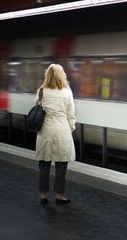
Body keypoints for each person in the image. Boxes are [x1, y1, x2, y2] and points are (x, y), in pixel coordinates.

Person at [35, 64, 76, 205]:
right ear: (62, 75)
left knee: (44, 164)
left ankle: (43, 196)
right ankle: (59, 196)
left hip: (45, 130)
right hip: (62, 130)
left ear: (47, 75)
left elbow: (37, 107)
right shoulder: (67, 91)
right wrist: (70, 128)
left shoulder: (42, 90)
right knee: (61, 164)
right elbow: (71, 115)